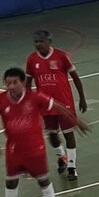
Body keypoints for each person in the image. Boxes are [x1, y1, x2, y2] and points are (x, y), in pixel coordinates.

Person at [0, 67, 90, 197]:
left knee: (43, 181)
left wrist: (76, 121)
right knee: (10, 181)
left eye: (15, 82)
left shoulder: (35, 97)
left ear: (23, 82)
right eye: (8, 83)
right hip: (13, 149)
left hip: (34, 149)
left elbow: (59, 107)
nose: (11, 86)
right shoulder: (0, 100)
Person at [26, 29, 87, 180]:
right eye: (36, 42)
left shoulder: (61, 56)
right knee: (52, 134)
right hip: (45, 105)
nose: (38, 44)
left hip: (64, 102)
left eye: (41, 41)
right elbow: (27, 83)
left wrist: (82, 98)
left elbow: (75, 77)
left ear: (49, 42)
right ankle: (62, 157)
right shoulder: (32, 59)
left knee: (68, 134)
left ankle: (72, 167)